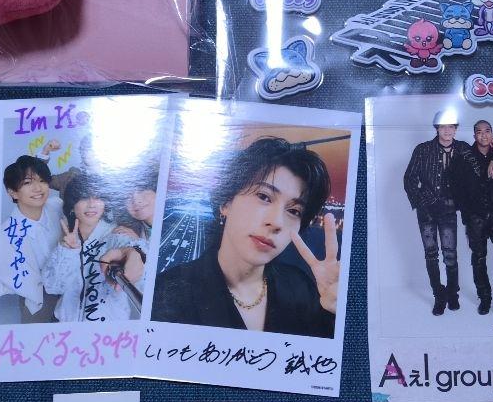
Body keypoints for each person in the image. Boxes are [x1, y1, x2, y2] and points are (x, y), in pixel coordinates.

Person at [151, 137, 340, 339]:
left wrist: (336, 313)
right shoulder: (166, 292)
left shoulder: (301, 289)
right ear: (226, 203)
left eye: (294, 211)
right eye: (264, 197)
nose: (277, 222)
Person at [42, 174, 144, 323]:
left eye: (98, 197)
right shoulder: (67, 238)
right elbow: (52, 287)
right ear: (72, 206)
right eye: (84, 197)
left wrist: (136, 252)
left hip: (106, 331)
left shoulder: (117, 235)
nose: (91, 204)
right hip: (63, 324)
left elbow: (141, 269)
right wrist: (67, 251)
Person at [403, 112, 467, 315]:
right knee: (431, 254)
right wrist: (422, 201)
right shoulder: (423, 149)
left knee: (450, 254)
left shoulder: (463, 149)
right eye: (443, 126)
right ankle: (439, 296)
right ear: (437, 128)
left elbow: (481, 159)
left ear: (455, 129)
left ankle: (453, 294)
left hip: (449, 209)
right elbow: (409, 178)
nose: (447, 130)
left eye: (451, 126)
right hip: (427, 211)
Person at [451, 121, 493, 316]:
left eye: (488, 131)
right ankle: (484, 297)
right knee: (479, 258)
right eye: (479, 132)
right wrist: (466, 212)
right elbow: (455, 186)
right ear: (474, 135)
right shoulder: (464, 157)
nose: (484, 135)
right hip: (475, 217)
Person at [0, 155, 64, 323]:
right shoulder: (5, 233)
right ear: (13, 192)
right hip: (38, 298)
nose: (38, 188)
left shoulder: (58, 206)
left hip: (70, 289)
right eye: (27, 183)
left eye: (42, 181)